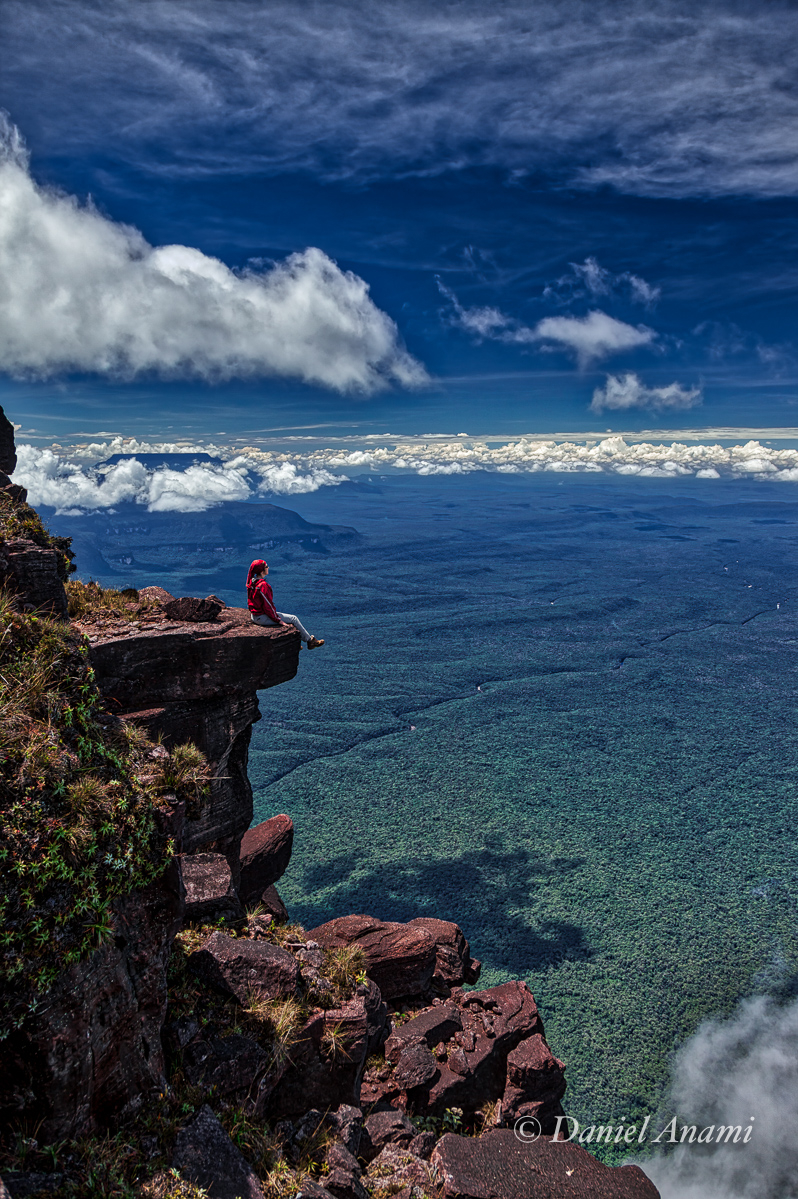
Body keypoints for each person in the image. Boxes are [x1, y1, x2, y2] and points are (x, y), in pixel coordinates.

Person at [246, 559, 324, 649]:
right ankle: (310, 641)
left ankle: (297, 643)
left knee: (288, 620)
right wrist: (278, 620)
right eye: (266, 566)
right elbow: (268, 606)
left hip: (254, 616)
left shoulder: (252, 582)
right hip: (262, 617)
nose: (268, 567)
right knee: (293, 619)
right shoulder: (262, 585)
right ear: (262, 570)